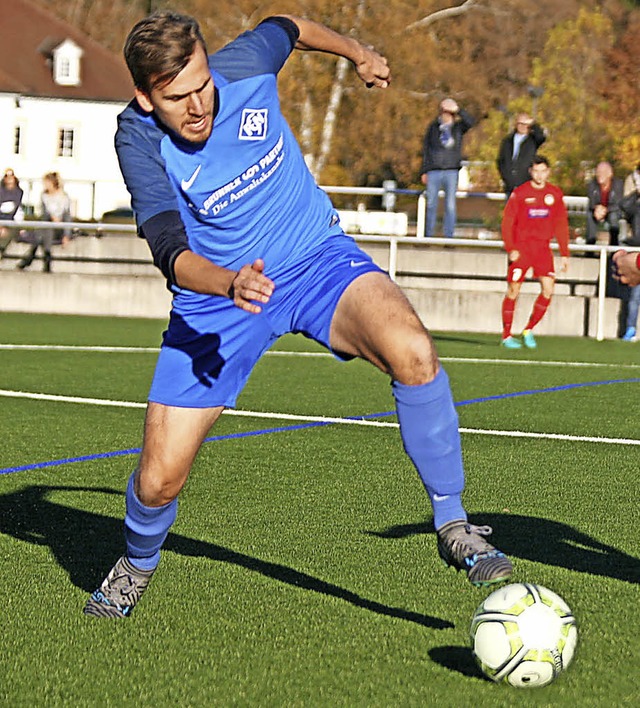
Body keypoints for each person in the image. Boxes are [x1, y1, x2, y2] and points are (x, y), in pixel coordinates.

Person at [83, 11, 512, 619]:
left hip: (315, 258)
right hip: (218, 301)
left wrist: (359, 52)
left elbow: (287, 24)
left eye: (203, 84)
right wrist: (229, 282)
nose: (199, 105)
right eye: (178, 97)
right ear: (145, 97)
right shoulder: (138, 139)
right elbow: (168, 251)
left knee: (414, 352)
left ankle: (453, 523)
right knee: (158, 482)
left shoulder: (246, 64)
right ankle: (137, 562)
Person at [500, 155, 570, 349]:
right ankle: (506, 335)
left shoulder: (554, 194)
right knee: (514, 289)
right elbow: (507, 221)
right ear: (531, 172)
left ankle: (528, 329)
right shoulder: (521, 193)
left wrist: (565, 253)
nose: (539, 175)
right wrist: (511, 248)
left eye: (543, 171)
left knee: (548, 289)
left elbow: (561, 224)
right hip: (522, 249)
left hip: (542, 249)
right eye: (536, 171)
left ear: (548, 172)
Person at [420, 98, 475, 239]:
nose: (446, 115)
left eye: (449, 113)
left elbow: (471, 122)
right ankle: (428, 235)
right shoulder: (433, 128)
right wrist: (424, 171)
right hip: (434, 170)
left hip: (451, 170)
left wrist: (458, 109)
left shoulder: (458, 128)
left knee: (450, 205)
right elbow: (426, 149)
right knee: (431, 204)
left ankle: (448, 236)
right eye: (444, 112)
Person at [17, 172, 71, 273]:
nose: (45, 185)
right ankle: (47, 260)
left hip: (59, 228)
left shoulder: (64, 197)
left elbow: (67, 216)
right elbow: (44, 214)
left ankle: (30, 258)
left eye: (46, 183)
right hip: (47, 225)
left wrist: (66, 235)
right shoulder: (44, 196)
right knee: (46, 230)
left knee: (43, 232)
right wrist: (51, 217)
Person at [496, 113, 546, 199]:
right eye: (520, 124)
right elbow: (500, 161)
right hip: (510, 186)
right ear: (516, 124)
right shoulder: (507, 140)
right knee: (511, 211)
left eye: (525, 124)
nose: (523, 126)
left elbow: (541, 137)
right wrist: (505, 177)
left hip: (526, 184)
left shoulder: (532, 140)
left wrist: (533, 123)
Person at [585, 161, 624, 249]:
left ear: (610, 174)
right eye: (598, 172)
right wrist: (597, 208)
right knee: (589, 215)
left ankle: (613, 248)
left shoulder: (618, 184)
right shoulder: (592, 184)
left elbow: (619, 203)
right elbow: (591, 202)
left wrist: (605, 210)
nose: (599, 175)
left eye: (603, 172)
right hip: (598, 210)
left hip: (613, 210)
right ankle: (589, 247)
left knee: (613, 217)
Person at [0, 168, 24, 259]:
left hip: (11, 222)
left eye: (11, 175)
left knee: (8, 233)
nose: (9, 178)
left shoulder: (19, 192)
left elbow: (17, 211)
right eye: (7, 176)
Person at [620, 163, 640, 246]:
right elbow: (626, 200)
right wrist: (636, 192)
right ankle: (637, 239)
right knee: (638, 212)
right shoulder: (631, 179)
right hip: (632, 209)